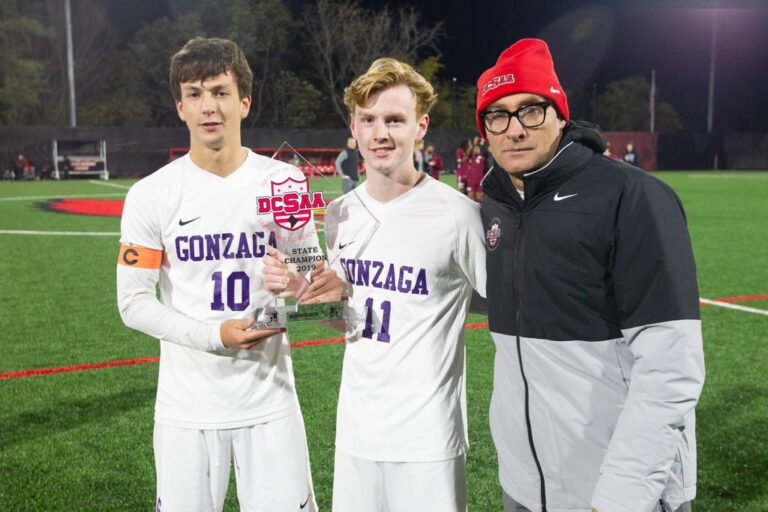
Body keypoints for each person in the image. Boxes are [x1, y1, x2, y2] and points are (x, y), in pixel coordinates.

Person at [475, 38, 704, 512]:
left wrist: (622, 496)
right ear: (485, 130)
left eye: (531, 110)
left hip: (615, 492)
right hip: (525, 485)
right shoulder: (495, 203)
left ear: (561, 114)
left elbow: (671, 367)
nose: (514, 129)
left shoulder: (633, 197)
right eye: (498, 115)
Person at [266, 57, 487, 512]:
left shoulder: (458, 214)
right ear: (354, 125)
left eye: (394, 120)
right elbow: (347, 322)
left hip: (428, 441)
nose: (380, 133)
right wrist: (300, 289)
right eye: (368, 120)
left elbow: (505, 308)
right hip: (357, 433)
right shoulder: (339, 214)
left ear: (420, 126)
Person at [116, 37, 318, 512]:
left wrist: (298, 288)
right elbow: (133, 304)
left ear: (244, 102)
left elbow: (316, 293)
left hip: (270, 403)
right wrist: (215, 335)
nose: (209, 106)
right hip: (186, 412)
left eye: (221, 91)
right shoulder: (151, 195)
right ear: (180, 106)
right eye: (195, 93)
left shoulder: (285, 183)